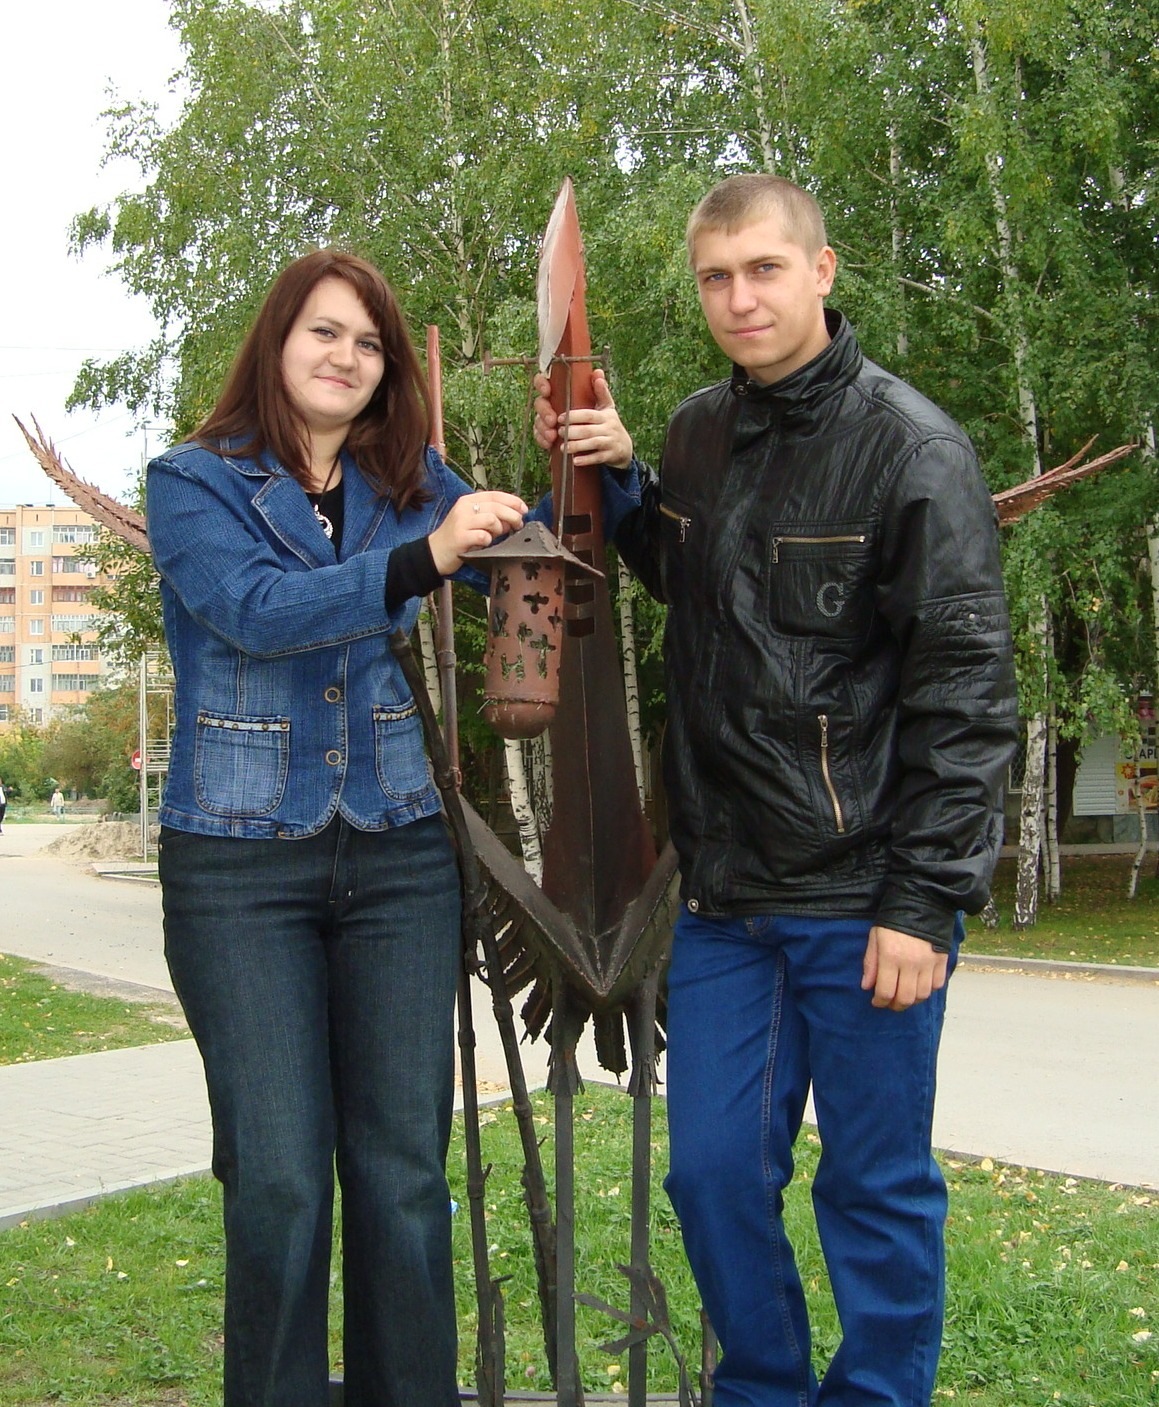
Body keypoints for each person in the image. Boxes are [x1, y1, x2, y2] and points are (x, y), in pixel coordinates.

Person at [533, 174, 1019, 1406]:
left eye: (762, 269)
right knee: (709, 1176)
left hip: (864, 899)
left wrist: (924, 901)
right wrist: (625, 478)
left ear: (821, 270)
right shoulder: (699, 432)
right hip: (724, 902)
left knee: (874, 1184)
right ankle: (761, 1389)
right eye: (715, 277)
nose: (739, 298)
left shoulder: (912, 449)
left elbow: (967, 697)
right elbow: (693, 583)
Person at [146, 248, 527, 1407]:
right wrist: (424, 557)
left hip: (398, 852)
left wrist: (595, 476)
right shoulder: (194, 482)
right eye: (324, 331)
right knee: (278, 1181)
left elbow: (526, 557)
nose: (346, 357)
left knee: (402, 1176)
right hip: (237, 867)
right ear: (276, 341)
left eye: (368, 343)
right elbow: (256, 613)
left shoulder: (406, 476)